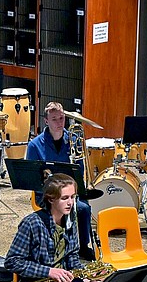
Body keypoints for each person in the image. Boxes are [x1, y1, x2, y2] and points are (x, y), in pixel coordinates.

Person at [25, 102, 95, 260]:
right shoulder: (34, 145)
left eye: (62, 118)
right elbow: (32, 178)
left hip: (70, 190)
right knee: (65, 206)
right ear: (46, 121)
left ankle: (83, 246)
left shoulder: (74, 140)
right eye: (54, 119)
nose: (59, 122)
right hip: (46, 194)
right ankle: (59, 248)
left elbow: (80, 171)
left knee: (83, 208)